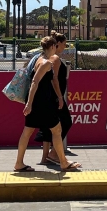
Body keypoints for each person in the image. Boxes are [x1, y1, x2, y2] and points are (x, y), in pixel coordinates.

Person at [14, 36, 81, 172]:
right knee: (57, 130)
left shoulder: (38, 59)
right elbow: (35, 82)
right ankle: (63, 162)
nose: (56, 49)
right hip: (42, 103)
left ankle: (19, 163)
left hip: (36, 102)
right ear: (52, 47)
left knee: (27, 132)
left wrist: (30, 103)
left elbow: (42, 81)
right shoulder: (46, 63)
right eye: (55, 46)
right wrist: (30, 104)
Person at [38, 32, 74, 165]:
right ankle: (54, 154)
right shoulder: (55, 59)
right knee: (66, 122)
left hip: (50, 97)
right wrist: (59, 97)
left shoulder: (50, 57)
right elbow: (54, 79)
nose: (65, 47)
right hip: (54, 98)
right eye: (64, 44)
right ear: (57, 44)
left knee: (49, 127)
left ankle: (46, 157)